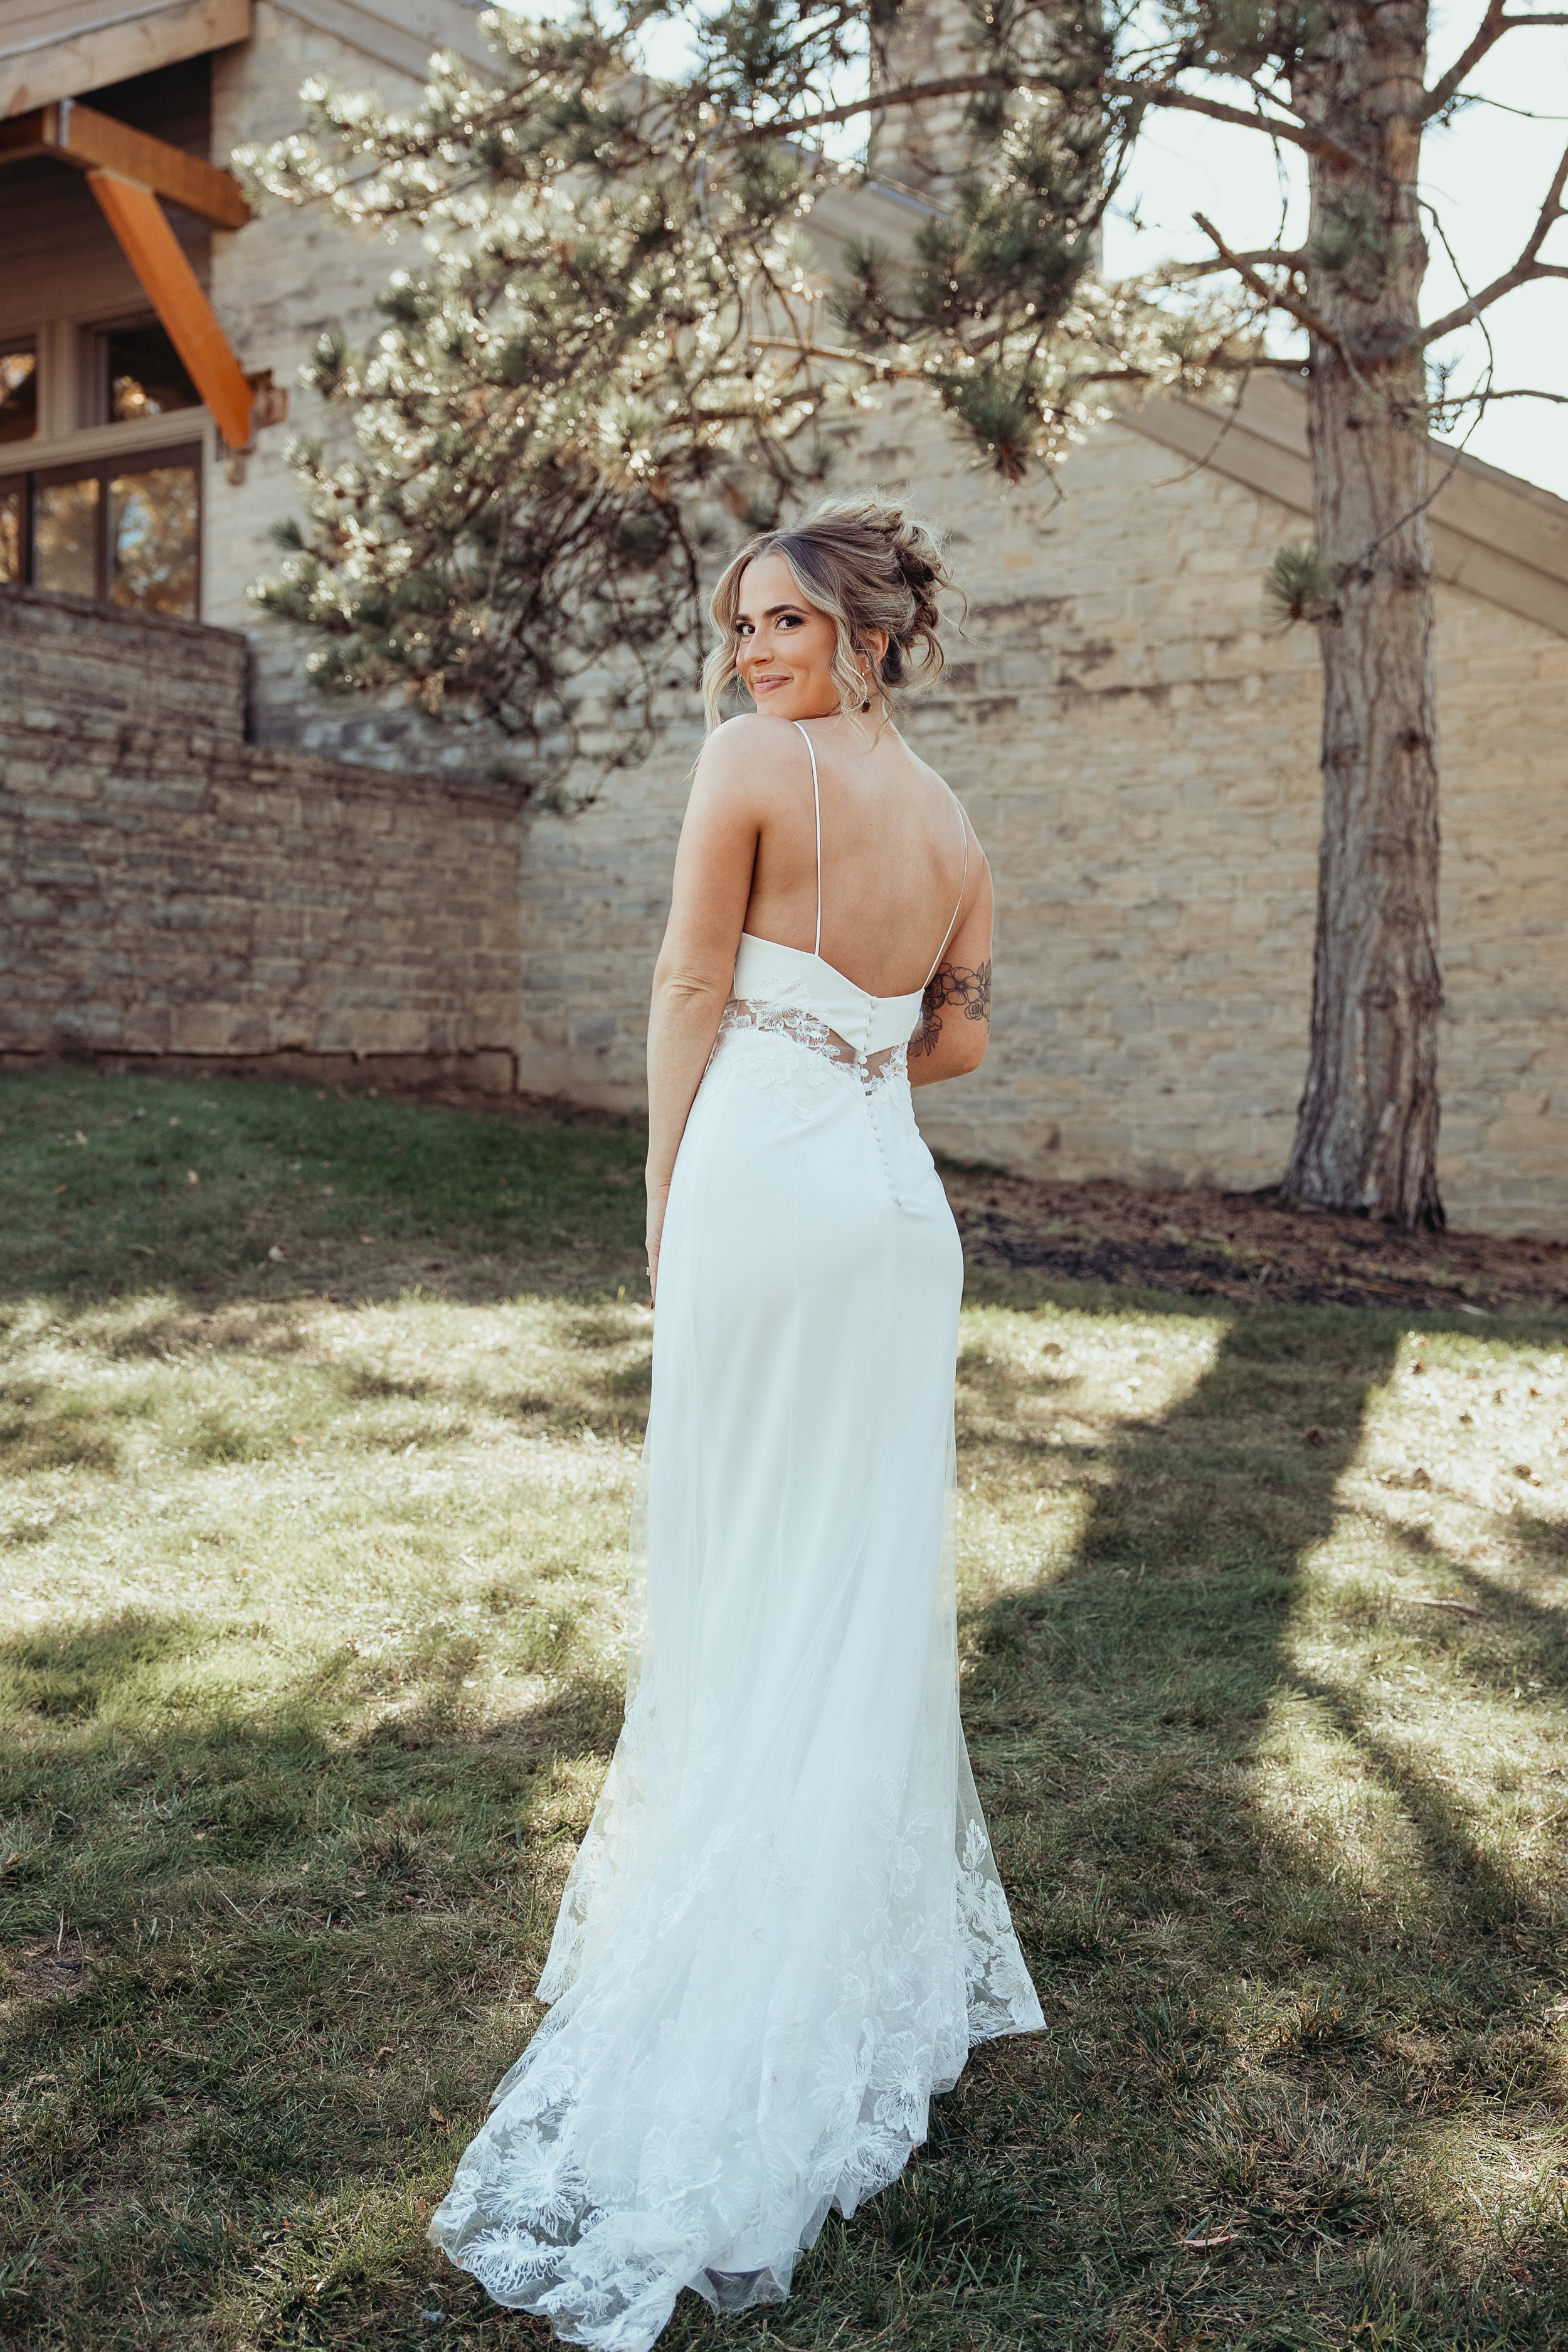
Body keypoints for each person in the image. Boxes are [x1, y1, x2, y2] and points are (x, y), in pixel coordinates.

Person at [429, 497, 1043, 2348]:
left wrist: (663, 1189)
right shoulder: (955, 827)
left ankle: (736, 1922)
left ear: (866, 634)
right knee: (854, 1572)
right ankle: (836, 1932)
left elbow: (690, 981)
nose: (752, 653)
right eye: (742, 626)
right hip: (892, 1206)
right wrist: (856, 1052)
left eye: (784, 622)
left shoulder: (751, 765)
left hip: (767, 1181)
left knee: (743, 1552)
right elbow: (957, 1039)